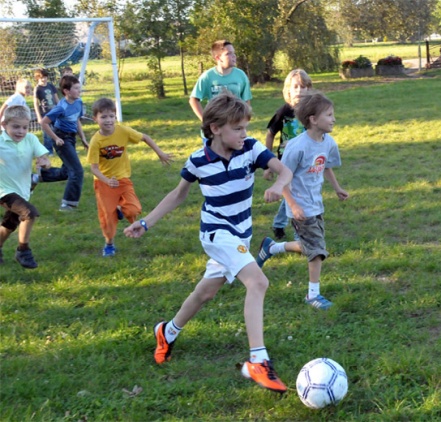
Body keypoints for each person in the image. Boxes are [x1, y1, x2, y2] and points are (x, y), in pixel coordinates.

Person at [124, 92, 292, 393]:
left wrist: (279, 185)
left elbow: (285, 170)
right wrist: (146, 222)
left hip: (241, 234)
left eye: (245, 128)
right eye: (237, 128)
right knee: (258, 282)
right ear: (215, 128)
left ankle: (168, 331)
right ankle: (258, 360)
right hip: (216, 233)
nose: (244, 134)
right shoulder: (198, 161)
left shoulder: (251, 149)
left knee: (205, 292)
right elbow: (178, 195)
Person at [256, 90, 349, 310]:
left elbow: (326, 166)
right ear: (313, 120)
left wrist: (337, 188)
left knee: (310, 245)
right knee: (317, 250)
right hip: (299, 205)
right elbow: (284, 179)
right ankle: (313, 295)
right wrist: (293, 205)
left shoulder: (328, 142)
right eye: (328, 115)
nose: (333, 119)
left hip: (316, 203)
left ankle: (271, 248)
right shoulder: (297, 147)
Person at [87, 97, 174, 257]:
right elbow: (93, 168)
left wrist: (160, 153)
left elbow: (145, 137)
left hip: (123, 180)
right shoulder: (95, 141)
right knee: (107, 218)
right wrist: (107, 181)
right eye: (103, 117)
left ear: (115, 116)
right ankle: (109, 244)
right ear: (95, 119)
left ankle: (120, 209)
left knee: (134, 209)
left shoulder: (123, 131)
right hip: (104, 183)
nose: (108, 120)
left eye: (111, 116)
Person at [264, 69, 313, 240]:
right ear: (288, 91)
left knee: (293, 193)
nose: (300, 90)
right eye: (296, 87)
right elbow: (270, 134)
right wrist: (268, 164)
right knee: (294, 193)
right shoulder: (283, 112)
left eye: (304, 87)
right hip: (285, 160)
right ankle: (299, 235)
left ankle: (278, 223)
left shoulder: (311, 112)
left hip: (305, 159)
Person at [0, 105, 51, 268]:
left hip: (23, 191)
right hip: (3, 190)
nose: (20, 131)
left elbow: (45, 159)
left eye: (24, 127)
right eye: (15, 127)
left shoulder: (31, 139)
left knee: (8, 226)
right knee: (30, 213)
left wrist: (45, 162)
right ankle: (23, 250)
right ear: (4, 125)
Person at [38, 75, 89, 212]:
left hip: (71, 138)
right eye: (76, 88)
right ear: (66, 91)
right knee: (77, 171)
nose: (79, 91)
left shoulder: (78, 102)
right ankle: (68, 204)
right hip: (61, 139)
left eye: (79, 88)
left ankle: (40, 175)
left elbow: (77, 120)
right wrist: (55, 138)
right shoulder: (61, 107)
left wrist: (83, 138)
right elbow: (43, 123)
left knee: (67, 171)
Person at [189, 40, 252, 121]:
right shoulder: (208, 76)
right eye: (228, 53)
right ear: (218, 58)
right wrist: (205, 120)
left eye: (234, 53)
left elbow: (246, 100)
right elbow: (193, 99)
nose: (234, 56)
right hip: (216, 125)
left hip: (234, 124)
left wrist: (244, 120)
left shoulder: (241, 75)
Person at [33, 68, 59, 156]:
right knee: (47, 133)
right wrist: (39, 116)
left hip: (54, 112)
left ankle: (61, 147)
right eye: (41, 78)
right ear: (37, 78)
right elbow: (36, 103)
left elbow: (56, 99)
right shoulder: (37, 89)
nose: (44, 79)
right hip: (45, 113)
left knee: (59, 130)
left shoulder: (51, 86)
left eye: (45, 77)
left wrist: (60, 109)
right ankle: (49, 150)